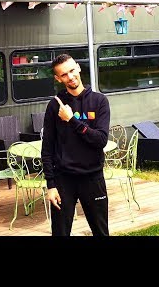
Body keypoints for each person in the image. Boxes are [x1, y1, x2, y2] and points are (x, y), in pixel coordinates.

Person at [41, 53, 111, 236]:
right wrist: (51, 185)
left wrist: (72, 120)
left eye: (72, 70)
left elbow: (100, 140)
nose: (70, 77)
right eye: (64, 74)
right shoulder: (54, 106)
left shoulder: (99, 101)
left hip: (92, 177)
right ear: (58, 78)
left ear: (78, 67)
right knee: (60, 233)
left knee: (101, 232)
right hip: (64, 180)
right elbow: (47, 147)